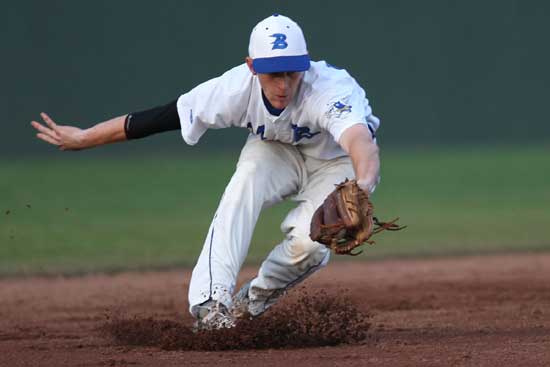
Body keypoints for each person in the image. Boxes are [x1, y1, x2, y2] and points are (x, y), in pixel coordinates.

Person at [31, 14, 381, 330]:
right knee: (245, 181)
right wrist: (85, 137)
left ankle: (249, 304)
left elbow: (361, 141)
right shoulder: (233, 89)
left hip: (334, 163)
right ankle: (210, 302)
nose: (285, 84)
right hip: (275, 151)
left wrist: (362, 185)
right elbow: (160, 118)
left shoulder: (329, 89)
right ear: (252, 67)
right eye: (275, 73)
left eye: (293, 71)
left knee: (310, 246)